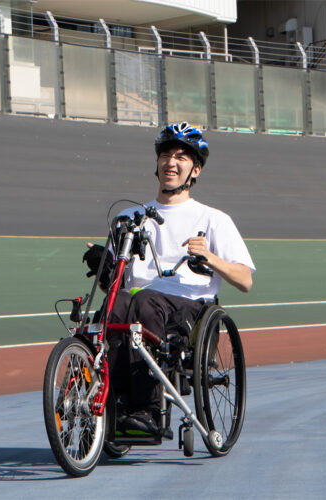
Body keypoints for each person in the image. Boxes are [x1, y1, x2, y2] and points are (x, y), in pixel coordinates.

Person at [83, 122, 256, 435]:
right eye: (165, 155)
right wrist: (103, 265)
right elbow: (116, 281)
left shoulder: (213, 219)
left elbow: (245, 280)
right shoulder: (130, 218)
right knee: (114, 305)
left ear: (196, 170)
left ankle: (147, 409)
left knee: (144, 303)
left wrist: (211, 258)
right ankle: (109, 405)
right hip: (138, 300)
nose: (170, 163)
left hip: (188, 307)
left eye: (181, 157)